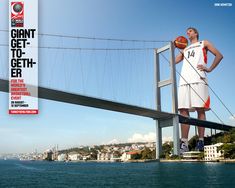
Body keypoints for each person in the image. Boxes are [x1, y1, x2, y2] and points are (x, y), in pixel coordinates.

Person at [175, 27, 223, 153]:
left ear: (196, 33)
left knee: (200, 109)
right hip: (184, 81)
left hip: (199, 79)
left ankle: (201, 141)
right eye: (187, 32)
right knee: (182, 110)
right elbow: (173, 61)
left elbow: (219, 55)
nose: (187, 33)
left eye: (190, 31)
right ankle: (184, 143)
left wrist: (209, 68)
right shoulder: (185, 49)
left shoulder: (204, 43)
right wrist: (171, 47)